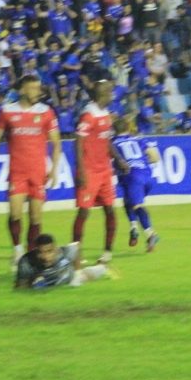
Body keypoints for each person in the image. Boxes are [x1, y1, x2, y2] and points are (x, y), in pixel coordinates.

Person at [0, 75, 61, 269]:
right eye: (33, 88)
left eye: (39, 87)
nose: (38, 91)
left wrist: (53, 169)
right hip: (17, 172)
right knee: (15, 214)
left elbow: (56, 142)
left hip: (38, 173)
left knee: (36, 217)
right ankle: (17, 250)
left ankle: (30, 255)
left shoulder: (46, 112)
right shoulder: (8, 111)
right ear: (22, 90)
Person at [72, 81, 118, 264]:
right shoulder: (88, 115)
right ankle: (76, 253)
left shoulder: (105, 114)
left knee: (110, 210)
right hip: (89, 171)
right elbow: (78, 142)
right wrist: (81, 171)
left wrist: (119, 159)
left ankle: (107, 252)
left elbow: (105, 140)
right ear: (102, 94)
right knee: (83, 213)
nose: (112, 94)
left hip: (105, 170)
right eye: (109, 91)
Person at [111, 118, 160, 251]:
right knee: (128, 201)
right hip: (147, 175)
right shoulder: (138, 139)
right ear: (127, 128)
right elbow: (155, 156)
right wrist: (141, 162)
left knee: (137, 205)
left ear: (114, 130)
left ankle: (150, 233)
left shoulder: (112, 143)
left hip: (132, 176)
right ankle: (133, 228)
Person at [13, 234, 113, 290]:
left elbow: (76, 247)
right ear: (35, 251)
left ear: (55, 249)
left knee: (87, 275)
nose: (45, 257)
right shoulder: (26, 261)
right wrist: (32, 284)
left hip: (66, 277)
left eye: (49, 251)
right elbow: (20, 287)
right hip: (49, 283)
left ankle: (103, 267)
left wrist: (76, 276)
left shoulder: (64, 252)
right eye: (41, 252)